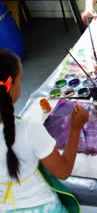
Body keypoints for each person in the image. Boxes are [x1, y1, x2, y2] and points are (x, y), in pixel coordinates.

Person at [0, 48, 89, 212]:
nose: (21, 84)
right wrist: (75, 129)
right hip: (43, 207)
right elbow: (63, 171)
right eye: (19, 80)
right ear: (9, 87)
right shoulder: (29, 129)